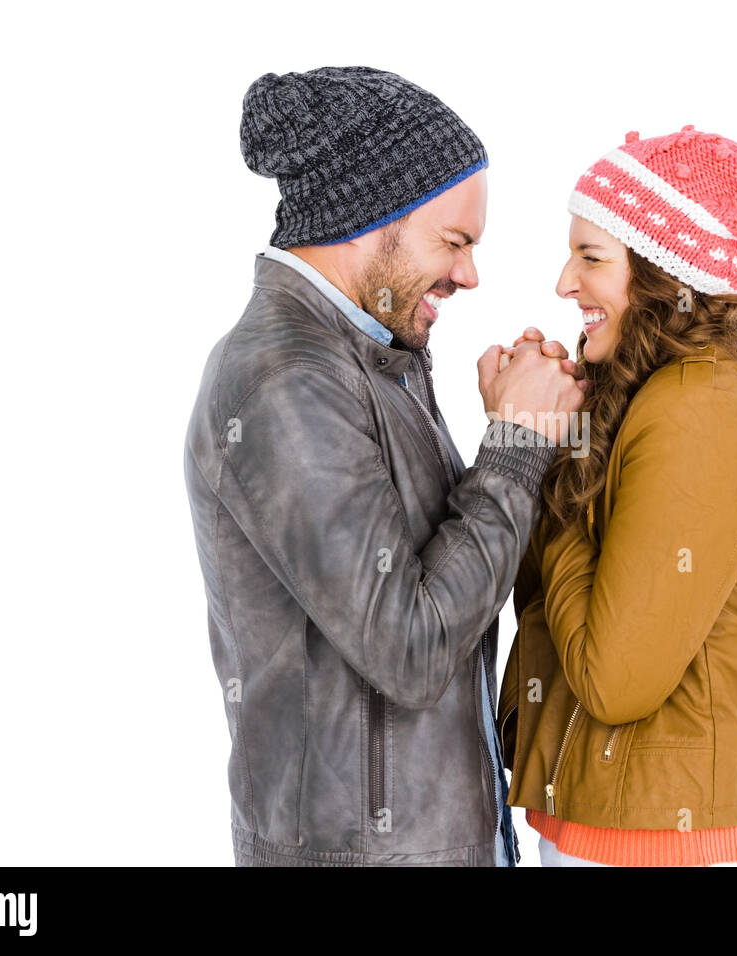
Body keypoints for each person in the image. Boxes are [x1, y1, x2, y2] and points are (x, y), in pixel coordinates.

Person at [183, 66, 586, 866]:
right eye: (455, 241)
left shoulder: (366, 353)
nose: (470, 273)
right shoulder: (287, 382)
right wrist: (516, 442)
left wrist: (515, 434)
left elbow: (430, 585)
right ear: (372, 218)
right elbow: (409, 648)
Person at [499, 125, 737, 866]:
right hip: (612, 828)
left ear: (662, 274)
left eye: (591, 257)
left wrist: (547, 451)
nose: (563, 282)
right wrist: (552, 433)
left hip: (653, 846)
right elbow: (545, 606)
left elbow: (611, 681)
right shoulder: (652, 396)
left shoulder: (701, 411)